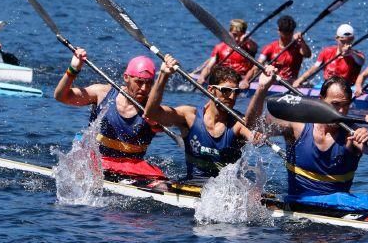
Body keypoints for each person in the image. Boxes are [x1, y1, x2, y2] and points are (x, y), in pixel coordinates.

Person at [144, 55, 271, 182]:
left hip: (225, 192)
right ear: (211, 90)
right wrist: (163, 75)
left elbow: (251, 131)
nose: (232, 97)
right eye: (226, 91)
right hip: (192, 185)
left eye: (235, 92)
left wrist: (262, 88)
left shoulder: (237, 123)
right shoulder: (190, 116)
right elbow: (152, 113)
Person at [265, 76, 368, 210]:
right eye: (336, 104)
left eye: (346, 105)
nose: (341, 111)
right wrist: (262, 89)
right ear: (321, 101)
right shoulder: (297, 126)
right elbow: (254, 124)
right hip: (298, 204)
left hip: (337, 209)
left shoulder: (352, 132)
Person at [54, 49, 166, 180]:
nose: (144, 88)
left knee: (162, 185)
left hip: (132, 168)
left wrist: (156, 124)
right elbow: (61, 96)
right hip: (96, 162)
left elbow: (161, 125)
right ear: (126, 77)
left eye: (149, 83)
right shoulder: (102, 93)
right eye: (139, 82)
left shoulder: (152, 109)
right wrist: (73, 69)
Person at [248, 15, 311, 87]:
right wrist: (246, 80)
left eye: (289, 33)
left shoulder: (298, 46)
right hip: (273, 82)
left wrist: (302, 41)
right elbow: (256, 66)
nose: (287, 36)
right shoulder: (270, 48)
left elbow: (308, 55)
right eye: (285, 33)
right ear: (278, 31)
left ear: (293, 31)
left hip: (291, 84)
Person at [294, 23, 364, 87]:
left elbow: (361, 61)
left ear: (353, 40)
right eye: (343, 42)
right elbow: (314, 69)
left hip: (346, 89)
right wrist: (300, 80)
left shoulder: (357, 56)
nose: (346, 45)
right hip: (328, 87)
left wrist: (351, 53)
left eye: (349, 41)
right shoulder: (327, 52)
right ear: (336, 38)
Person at [194, 19, 258, 85]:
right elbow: (208, 67)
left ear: (244, 35)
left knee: (256, 67)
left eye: (240, 35)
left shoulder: (249, 46)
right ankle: (195, 73)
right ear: (229, 33)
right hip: (222, 76)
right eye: (234, 35)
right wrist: (202, 77)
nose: (237, 39)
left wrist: (248, 39)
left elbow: (254, 47)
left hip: (242, 78)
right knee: (210, 61)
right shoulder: (219, 47)